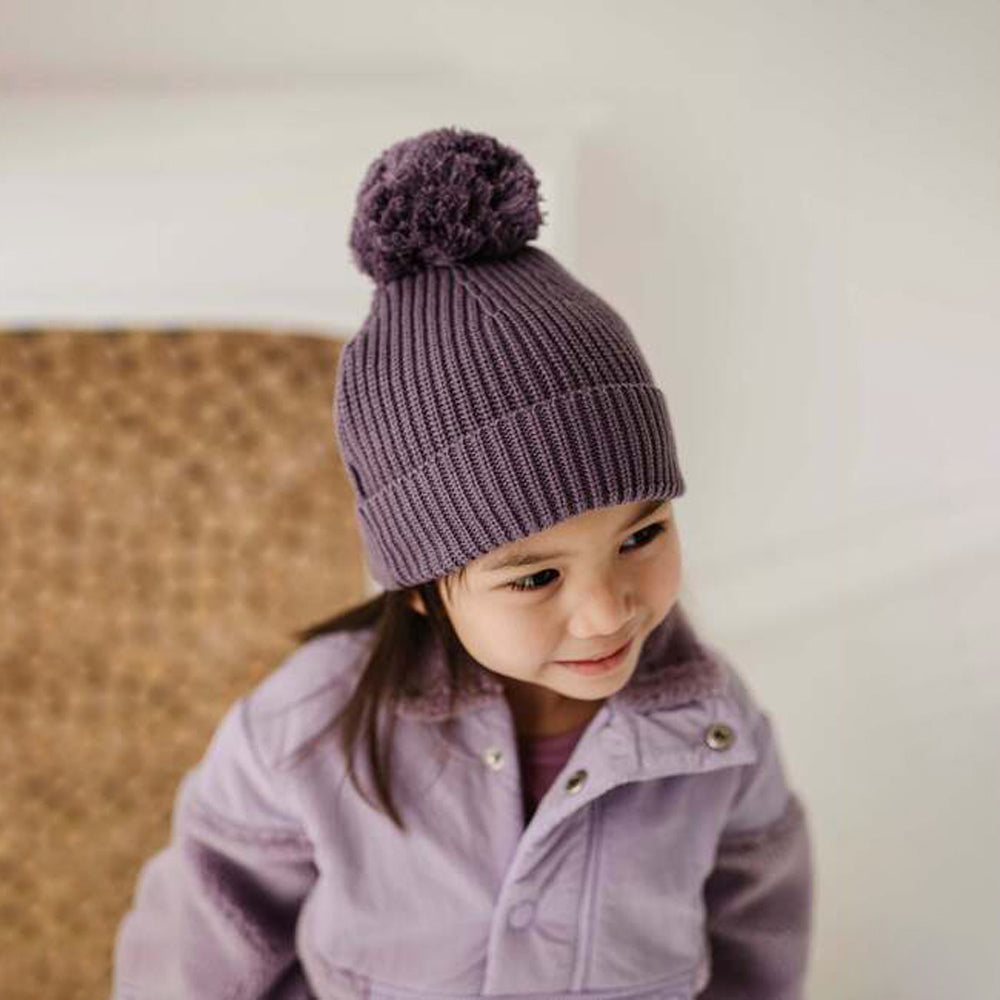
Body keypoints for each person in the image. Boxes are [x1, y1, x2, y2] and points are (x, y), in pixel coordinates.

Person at [111, 126, 814, 999]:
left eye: (642, 536)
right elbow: (194, 962)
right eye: (534, 576)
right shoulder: (300, 735)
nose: (608, 611)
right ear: (421, 589)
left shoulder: (717, 735)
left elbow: (759, 958)